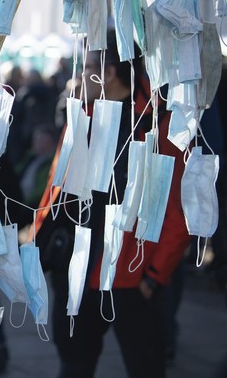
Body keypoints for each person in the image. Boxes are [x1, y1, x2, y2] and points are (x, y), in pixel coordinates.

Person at [38, 31, 191, 378]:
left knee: (146, 368)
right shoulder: (83, 117)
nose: (77, 77)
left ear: (107, 72)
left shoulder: (158, 124)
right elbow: (55, 190)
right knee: (74, 366)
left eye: (86, 67)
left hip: (132, 281)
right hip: (78, 274)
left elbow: (177, 211)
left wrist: (154, 277)